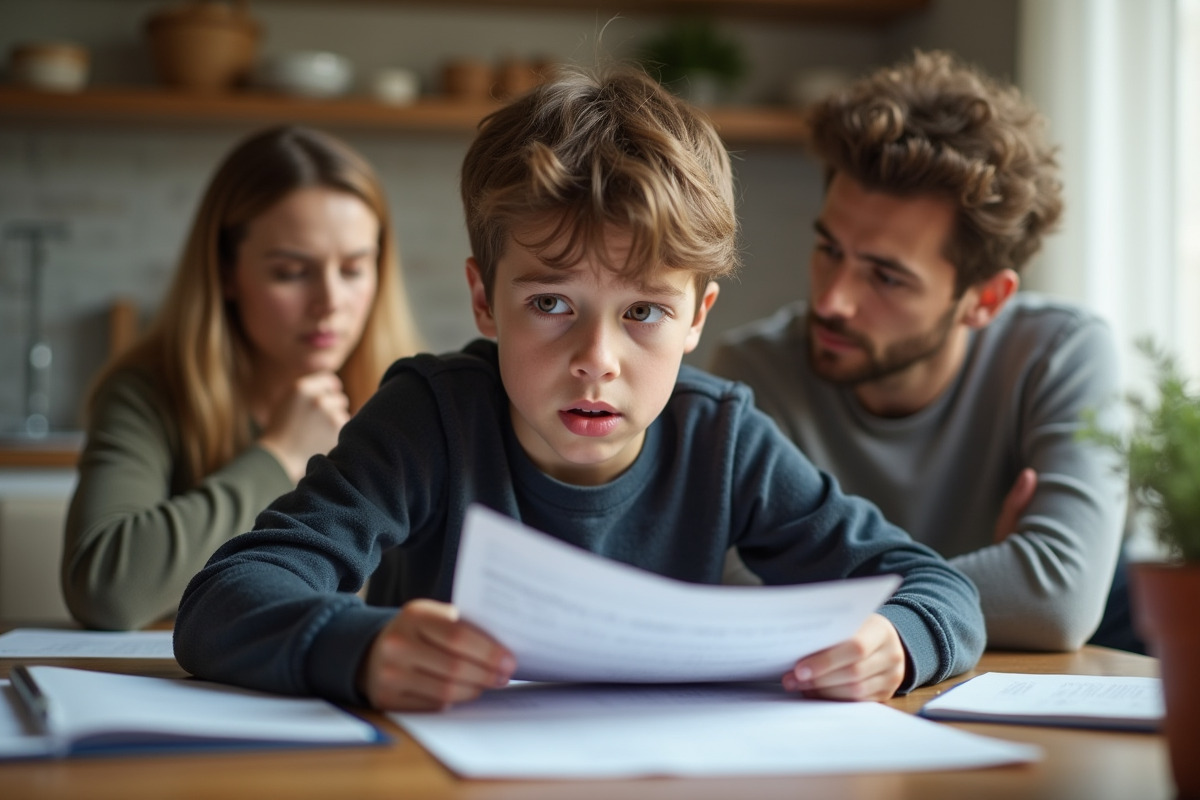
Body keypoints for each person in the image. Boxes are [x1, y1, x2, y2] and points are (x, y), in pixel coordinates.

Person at [173, 65, 985, 712]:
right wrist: (360, 646)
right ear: (485, 299)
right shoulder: (431, 419)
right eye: (552, 304)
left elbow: (938, 587)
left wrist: (898, 640)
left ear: (698, 316)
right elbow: (224, 599)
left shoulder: (723, 439)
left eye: (643, 313)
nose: (597, 358)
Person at [710, 50, 1137, 652]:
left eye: (885, 277)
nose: (832, 301)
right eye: (830, 250)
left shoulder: (1060, 352)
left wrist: (819, 593)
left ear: (984, 299)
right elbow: (732, 606)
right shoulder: (753, 372)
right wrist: (995, 574)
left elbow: (1057, 599)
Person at [62, 125, 424, 631]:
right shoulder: (148, 392)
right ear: (226, 272)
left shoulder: (415, 401)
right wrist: (278, 455)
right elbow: (106, 589)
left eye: (354, 268)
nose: (330, 303)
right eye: (291, 272)